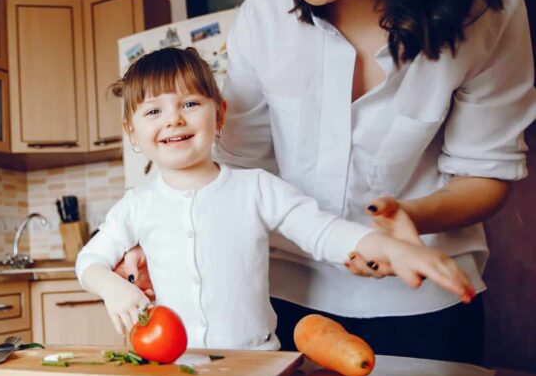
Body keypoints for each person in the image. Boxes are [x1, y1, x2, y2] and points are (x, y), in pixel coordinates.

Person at [117, 0, 536, 363]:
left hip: (420, 292)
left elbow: (485, 173)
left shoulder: (488, 17)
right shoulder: (265, 15)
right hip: (283, 293)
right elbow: (232, 162)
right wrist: (160, 229)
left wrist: (410, 219)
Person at [76, 47, 474, 348]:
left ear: (219, 115)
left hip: (259, 364)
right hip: (175, 370)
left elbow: (324, 232)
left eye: (190, 103)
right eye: (153, 112)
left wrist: (392, 248)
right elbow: (89, 260)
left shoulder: (257, 188)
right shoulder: (136, 204)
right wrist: (114, 287)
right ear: (132, 133)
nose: (173, 119)